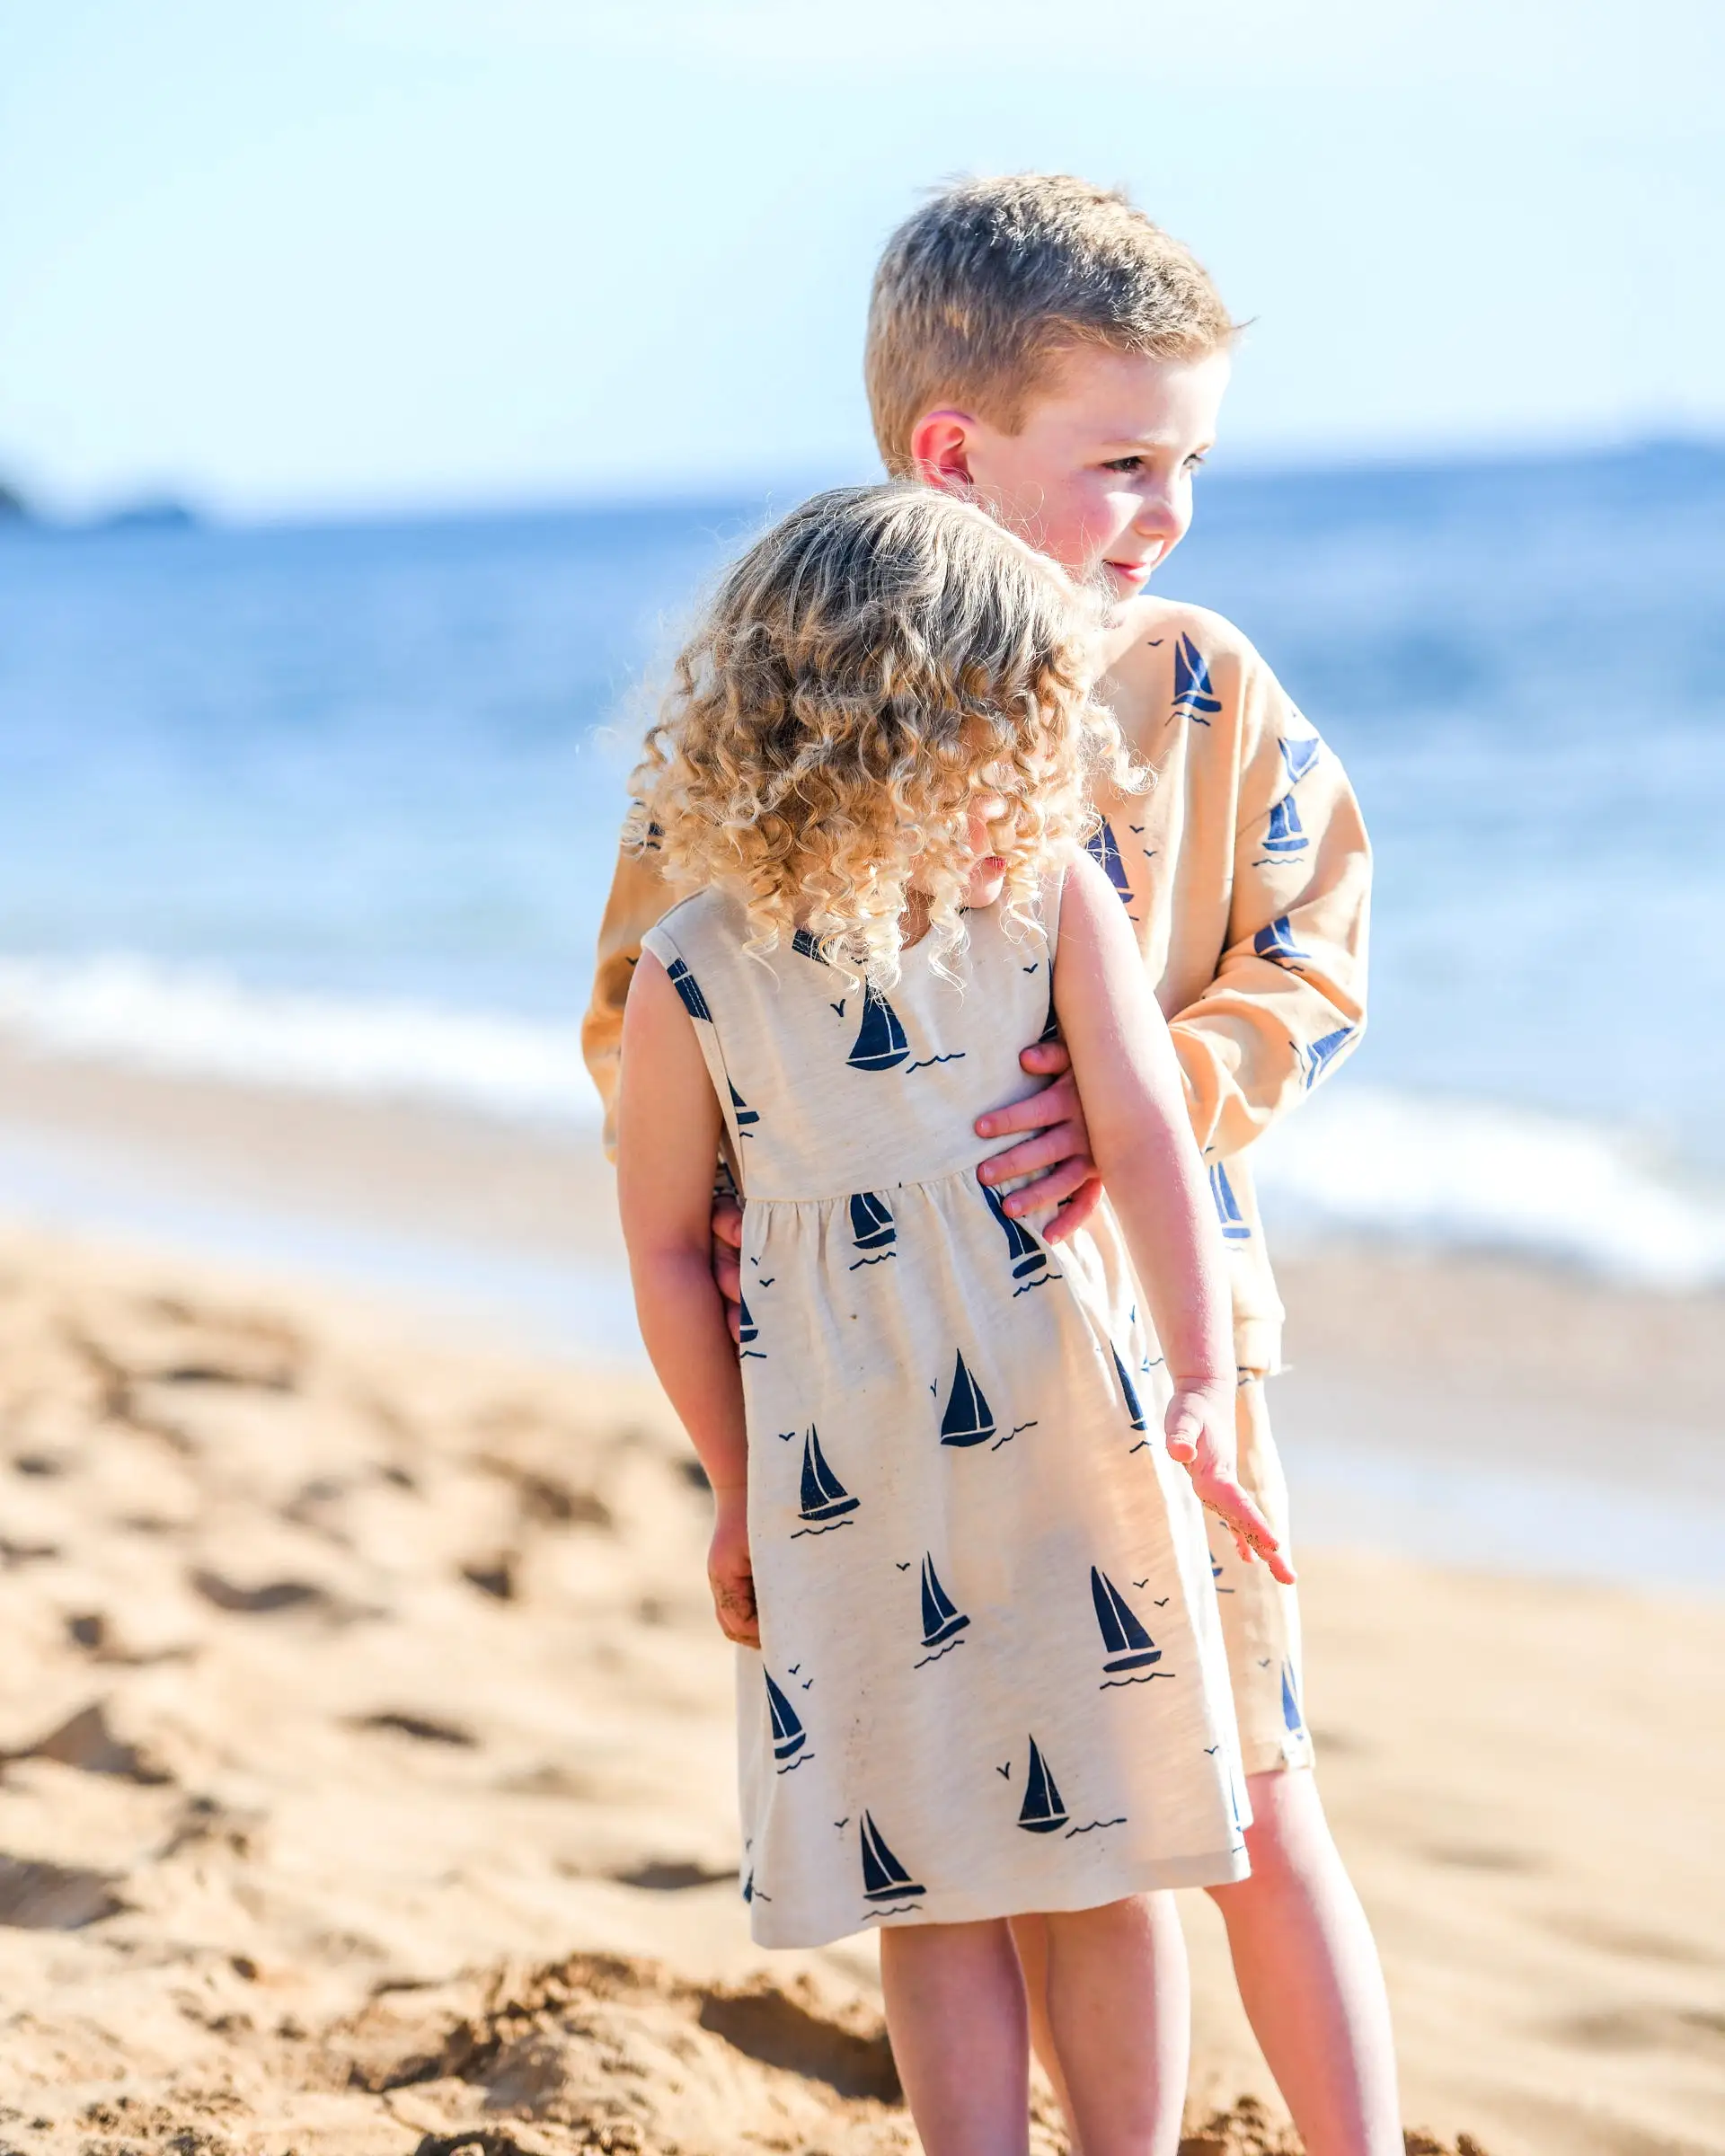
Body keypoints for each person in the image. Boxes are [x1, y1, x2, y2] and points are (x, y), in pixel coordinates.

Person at [588, 176, 1399, 2154]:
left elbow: (1321, 940)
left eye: (1190, 461)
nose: (1169, 514)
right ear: (957, 454)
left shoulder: (1195, 680)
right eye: (1125, 464)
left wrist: (1162, 1086)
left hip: (1166, 1332)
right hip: (879, 1381)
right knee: (973, 1809)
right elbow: (641, 1025)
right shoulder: (779, 717)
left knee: (1242, 1782)